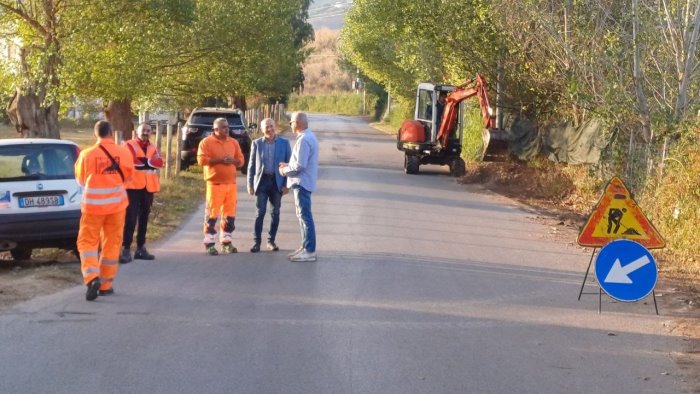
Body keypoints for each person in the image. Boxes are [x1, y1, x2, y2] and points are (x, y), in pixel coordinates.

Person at [74, 121, 135, 301]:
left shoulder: (86, 154)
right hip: (117, 206)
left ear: (96, 134)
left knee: (87, 242)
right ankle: (106, 285)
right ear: (111, 132)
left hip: (93, 207)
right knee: (112, 243)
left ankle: (92, 278)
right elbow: (129, 177)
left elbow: (80, 180)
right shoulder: (124, 152)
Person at [197, 117, 244, 256]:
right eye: (223, 127)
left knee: (229, 215)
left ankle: (226, 242)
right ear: (216, 129)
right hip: (214, 184)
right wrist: (220, 160)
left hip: (231, 184)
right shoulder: (206, 142)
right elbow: (201, 160)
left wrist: (233, 161)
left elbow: (241, 161)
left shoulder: (233, 142)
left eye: (227, 126)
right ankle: (209, 243)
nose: (227, 129)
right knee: (212, 214)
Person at [119, 123, 163, 263]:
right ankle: (126, 249)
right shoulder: (129, 145)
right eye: (143, 130)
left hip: (148, 187)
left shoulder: (152, 146)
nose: (145, 132)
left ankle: (140, 248)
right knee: (130, 218)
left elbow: (159, 162)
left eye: (148, 130)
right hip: (132, 187)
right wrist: (149, 162)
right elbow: (133, 162)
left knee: (144, 218)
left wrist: (146, 162)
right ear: (136, 131)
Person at [279, 112, 319, 262]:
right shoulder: (308, 137)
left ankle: (309, 250)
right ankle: (305, 246)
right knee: (302, 216)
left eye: (291, 123)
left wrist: (284, 170)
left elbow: (299, 166)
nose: (290, 125)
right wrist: (288, 165)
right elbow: (299, 163)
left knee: (305, 216)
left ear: (297, 123)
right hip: (302, 182)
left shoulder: (304, 139)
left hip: (301, 182)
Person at [247, 118, 292, 253]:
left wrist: (287, 185)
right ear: (262, 129)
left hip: (277, 183)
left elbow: (290, 165)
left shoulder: (284, 143)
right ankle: (256, 242)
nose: (269, 129)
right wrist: (250, 184)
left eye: (271, 126)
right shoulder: (256, 143)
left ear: (275, 127)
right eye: (266, 127)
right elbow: (251, 166)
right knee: (259, 213)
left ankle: (271, 241)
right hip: (261, 183)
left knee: (275, 213)